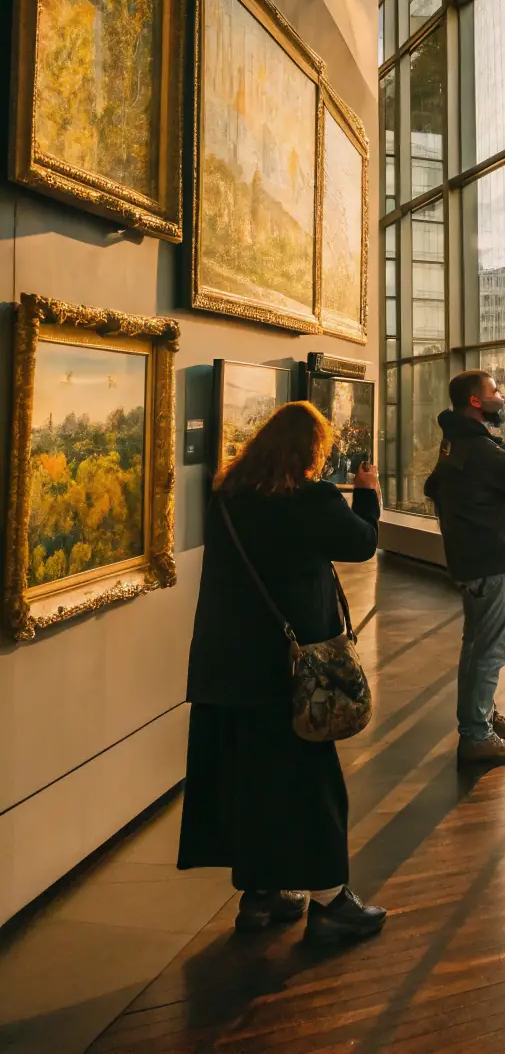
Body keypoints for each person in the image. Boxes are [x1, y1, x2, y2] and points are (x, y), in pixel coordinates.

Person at [178, 402, 387, 947]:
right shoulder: (310, 498)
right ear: (311, 450)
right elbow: (361, 543)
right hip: (287, 674)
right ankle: (331, 904)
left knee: (250, 781)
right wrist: (367, 492)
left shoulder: (228, 496)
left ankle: (260, 894)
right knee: (313, 785)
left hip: (225, 668)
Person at [424, 372, 505, 766]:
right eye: (494, 391)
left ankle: (482, 714)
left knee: (475, 645)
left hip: (473, 559)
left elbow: (432, 486)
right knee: (490, 650)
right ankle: (476, 734)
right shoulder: (481, 450)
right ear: (476, 402)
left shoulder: (453, 445)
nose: (501, 396)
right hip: (492, 559)